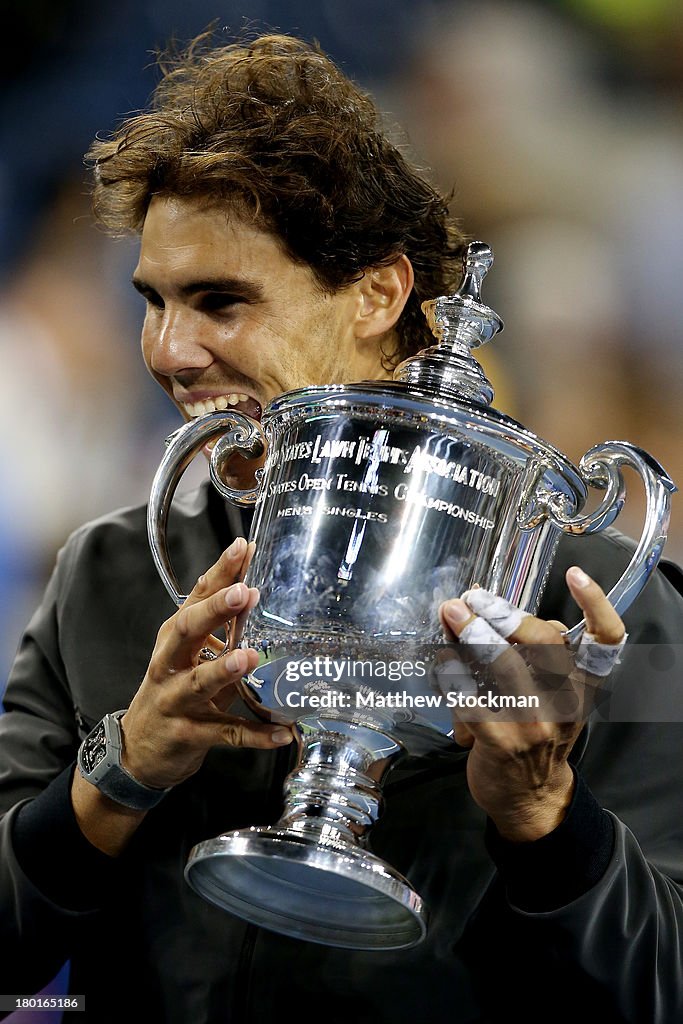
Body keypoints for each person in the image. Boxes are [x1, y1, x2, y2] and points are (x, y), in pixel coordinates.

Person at [1, 31, 682, 1024]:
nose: (169, 349)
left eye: (221, 301)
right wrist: (121, 770)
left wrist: (548, 820)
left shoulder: (591, 608)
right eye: (152, 301)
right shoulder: (109, 571)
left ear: (378, 292)